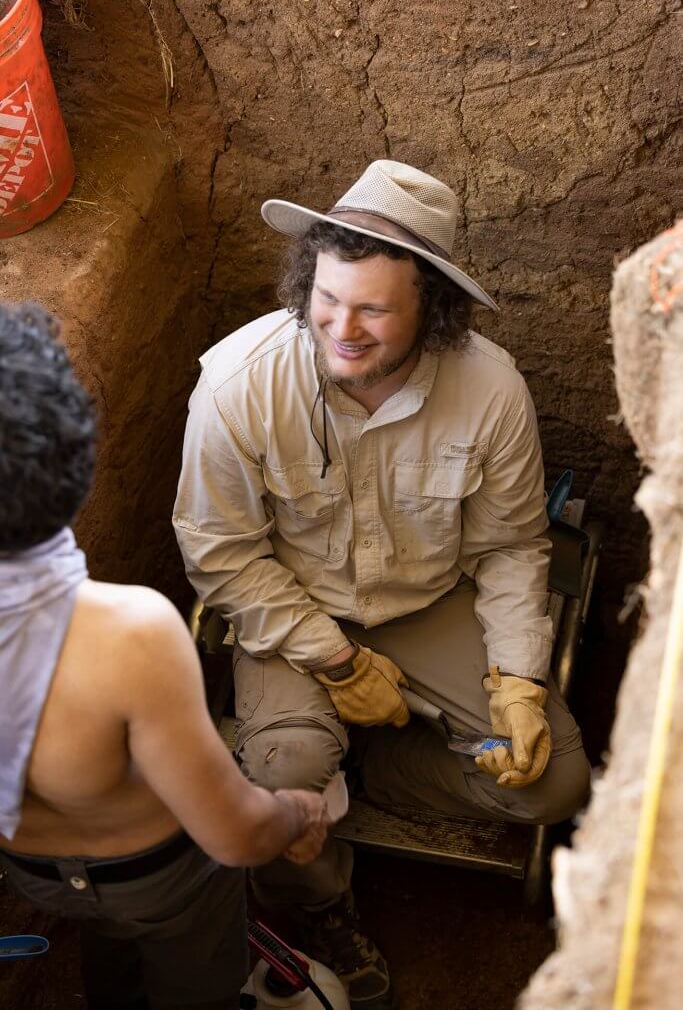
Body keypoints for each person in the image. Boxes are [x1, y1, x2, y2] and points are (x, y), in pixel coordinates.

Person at [173, 160, 591, 1010]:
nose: (342, 327)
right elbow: (219, 554)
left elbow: (513, 545)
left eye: (372, 308)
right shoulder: (237, 386)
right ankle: (319, 904)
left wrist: (516, 679)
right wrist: (332, 663)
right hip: (298, 610)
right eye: (327, 299)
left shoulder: (491, 391)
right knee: (287, 776)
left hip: (430, 603)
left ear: (431, 310)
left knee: (554, 782)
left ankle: (369, 770)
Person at [0, 303, 331, 1010]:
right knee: (194, 978)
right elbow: (237, 835)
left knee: (107, 950)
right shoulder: (128, 635)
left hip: (31, 872)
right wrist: (296, 813)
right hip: (161, 879)